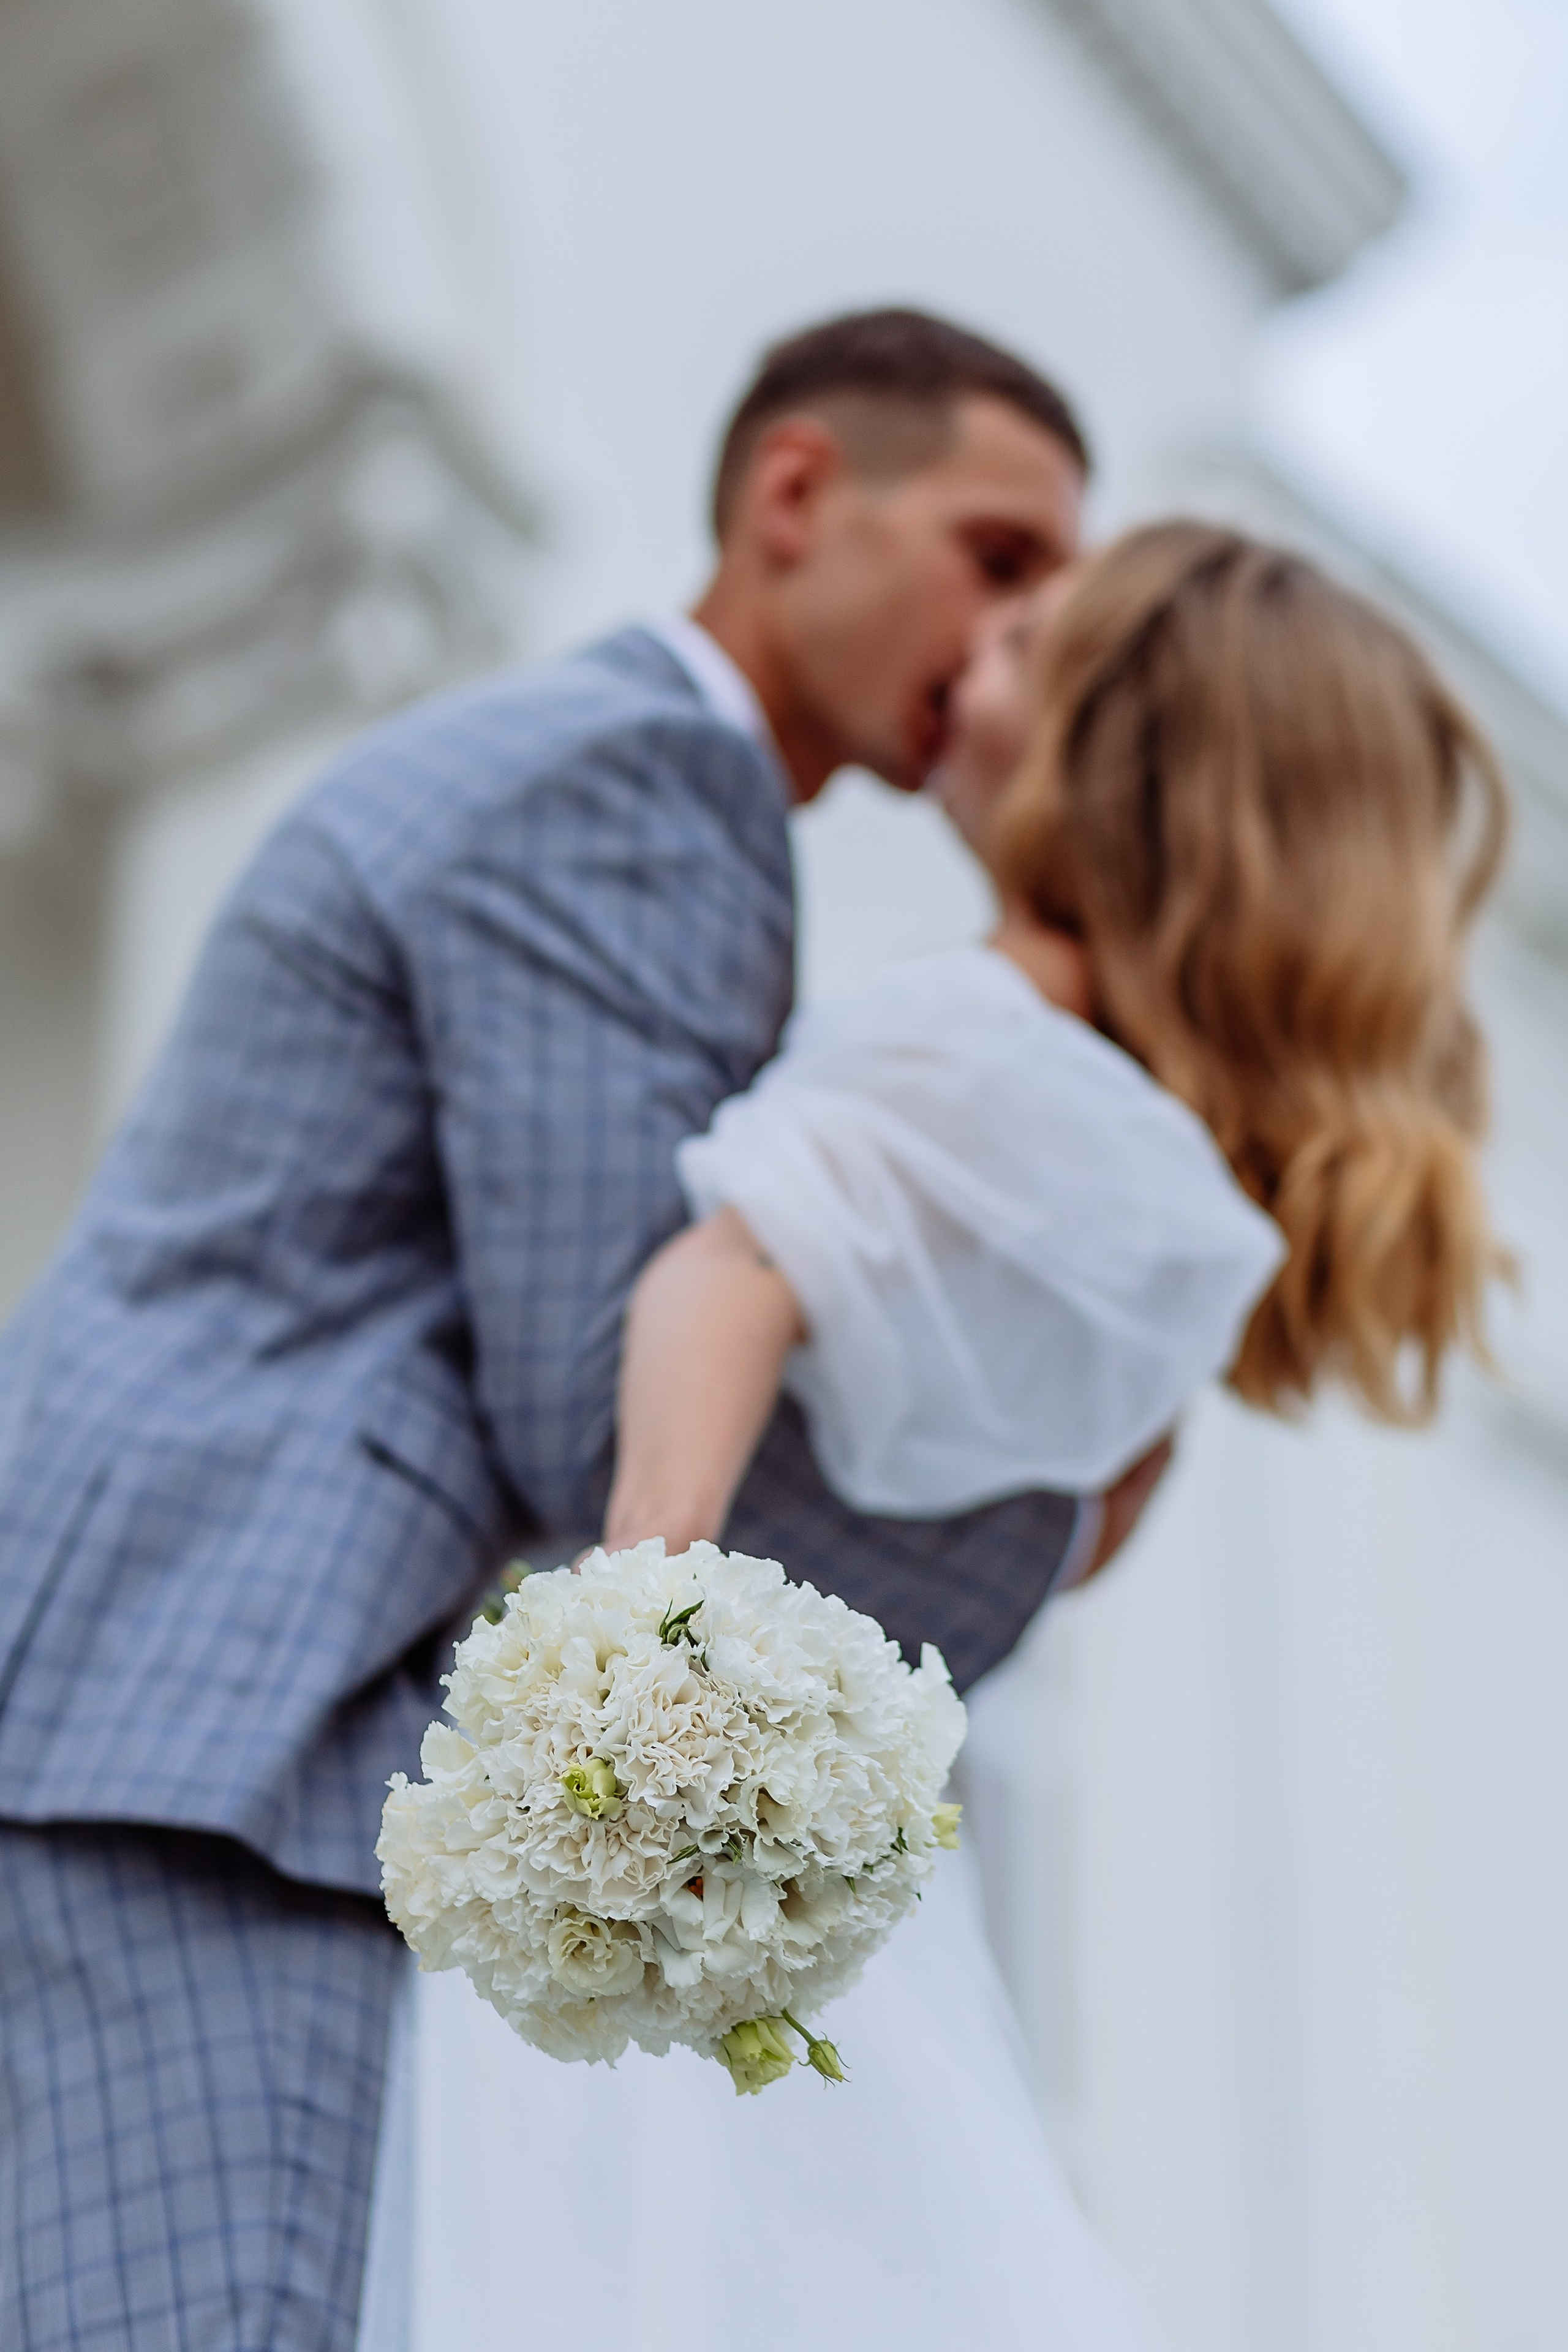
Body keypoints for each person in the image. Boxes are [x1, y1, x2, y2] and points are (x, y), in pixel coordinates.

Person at [0, 309, 1163, 2352]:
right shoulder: (642, 778)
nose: (1024, 643)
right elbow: (585, 1395)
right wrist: (1071, 1502)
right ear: (800, 494)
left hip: (145, 1706)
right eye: (1001, 558)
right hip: (210, 1728)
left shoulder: (594, 766)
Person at [401, 522, 1505, 2352]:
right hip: (863, 1945)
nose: (963, 661)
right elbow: (1067, 1541)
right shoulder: (1186, 1216)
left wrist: (638, 1610)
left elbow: (740, 1260)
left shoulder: (978, 1030)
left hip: (670, 1839)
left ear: (1121, 757)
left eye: (1023, 644)